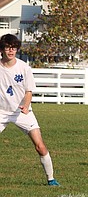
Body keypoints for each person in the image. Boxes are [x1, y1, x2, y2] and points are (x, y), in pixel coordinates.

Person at [0, 34, 59, 186]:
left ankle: (51, 179)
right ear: (2, 50)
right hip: (1, 112)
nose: (10, 51)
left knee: (40, 146)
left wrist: (26, 106)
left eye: (13, 48)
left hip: (22, 112)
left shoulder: (24, 68)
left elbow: (29, 91)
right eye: (7, 47)